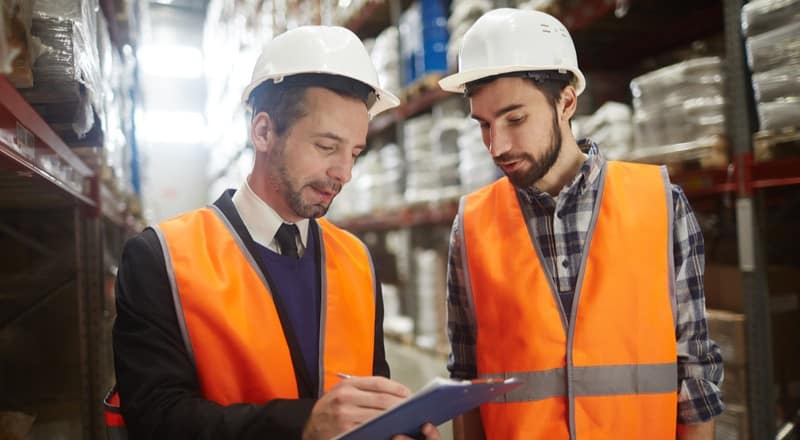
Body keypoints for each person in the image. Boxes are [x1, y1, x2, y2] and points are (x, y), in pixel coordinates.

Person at [111, 26, 440, 440]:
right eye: (326, 147)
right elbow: (155, 418)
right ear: (263, 132)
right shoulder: (161, 258)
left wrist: (395, 427)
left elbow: (366, 401)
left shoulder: (356, 259)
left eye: (354, 152)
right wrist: (303, 425)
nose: (345, 173)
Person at [437, 8, 724, 440]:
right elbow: (467, 379)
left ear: (566, 101)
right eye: (484, 125)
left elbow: (696, 371)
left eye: (515, 119)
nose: (497, 145)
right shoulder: (472, 226)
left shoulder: (661, 204)